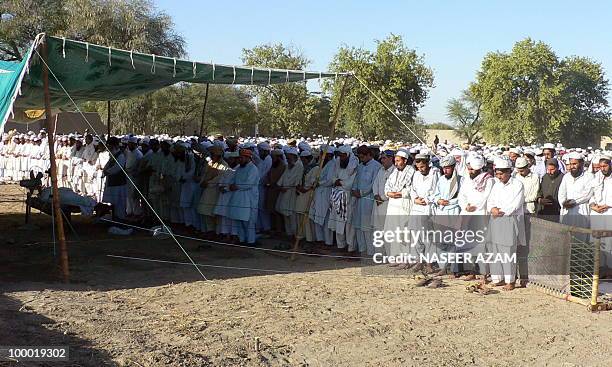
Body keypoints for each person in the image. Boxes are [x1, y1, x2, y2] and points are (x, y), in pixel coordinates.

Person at [486, 157, 526, 291]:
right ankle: (498, 278)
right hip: (495, 219)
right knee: (494, 249)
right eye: (497, 173)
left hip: (509, 220)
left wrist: (500, 211)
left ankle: (510, 280)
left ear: (509, 172)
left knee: (507, 251)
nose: (499, 176)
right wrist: (492, 209)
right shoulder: (496, 185)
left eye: (501, 173)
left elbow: (515, 204)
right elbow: (490, 201)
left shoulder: (517, 184)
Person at [457, 155, 493, 280]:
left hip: (480, 215)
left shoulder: (488, 180)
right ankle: (471, 271)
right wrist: (465, 206)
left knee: (481, 246)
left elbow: (486, 197)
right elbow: (461, 195)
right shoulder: (466, 179)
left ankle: (484, 273)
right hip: (466, 213)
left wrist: (475, 207)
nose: (470, 171)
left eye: (473, 170)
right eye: (469, 169)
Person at [432, 155, 461, 275]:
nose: (445, 170)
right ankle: (442, 266)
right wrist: (439, 201)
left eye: (448, 168)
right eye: (444, 168)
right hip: (441, 211)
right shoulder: (441, 179)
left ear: (453, 167)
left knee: (453, 242)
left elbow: (462, 197)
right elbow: (435, 194)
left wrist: (449, 202)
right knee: (440, 241)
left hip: (453, 211)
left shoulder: (460, 180)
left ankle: (453, 268)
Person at [383, 149, 414, 261]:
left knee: (403, 233)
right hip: (393, 205)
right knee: (393, 232)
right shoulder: (394, 172)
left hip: (404, 204)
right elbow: (387, 185)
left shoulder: (411, 171)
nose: (396, 163)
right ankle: (394, 257)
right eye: (395, 161)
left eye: (398, 161)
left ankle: (404, 259)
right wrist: (389, 193)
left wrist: (401, 193)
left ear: (405, 161)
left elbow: (412, 189)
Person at [351, 145, 382, 255]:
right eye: (360, 157)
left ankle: (370, 251)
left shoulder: (376, 166)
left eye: (363, 157)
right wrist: (354, 190)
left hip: (368, 199)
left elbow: (374, 183)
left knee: (367, 227)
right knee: (358, 226)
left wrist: (362, 192)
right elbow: (355, 179)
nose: (361, 159)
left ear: (369, 155)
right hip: (358, 199)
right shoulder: (360, 166)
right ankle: (361, 249)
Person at [227, 149, 259, 245]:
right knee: (239, 219)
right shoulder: (238, 168)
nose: (239, 160)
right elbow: (232, 179)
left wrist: (236, 186)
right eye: (239, 158)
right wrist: (231, 185)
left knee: (248, 221)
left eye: (241, 158)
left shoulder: (253, 169)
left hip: (248, 198)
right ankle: (242, 239)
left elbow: (249, 184)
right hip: (238, 197)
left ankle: (250, 241)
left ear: (247, 158)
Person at [328, 145, 357, 252]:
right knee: (337, 221)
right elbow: (333, 178)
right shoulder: (338, 162)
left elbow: (350, 183)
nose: (342, 158)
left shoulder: (354, 165)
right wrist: (337, 181)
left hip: (348, 198)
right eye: (340, 156)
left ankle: (351, 247)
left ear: (348, 155)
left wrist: (339, 182)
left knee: (348, 224)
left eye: (343, 156)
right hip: (336, 196)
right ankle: (340, 245)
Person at [197, 145, 228, 237]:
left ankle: (217, 232)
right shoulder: (211, 163)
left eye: (213, 154)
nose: (211, 156)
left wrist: (208, 183)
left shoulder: (224, 165)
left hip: (216, 191)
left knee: (215, 213)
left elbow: (220, 178)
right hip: (207, 191)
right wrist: (203, 182)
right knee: (205, 211)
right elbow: (205, 174)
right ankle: (209, 230)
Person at [558, 152, 593, 234]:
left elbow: (587, 194)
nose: (572, 166)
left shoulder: (589, 176)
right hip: (566, 211)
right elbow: (561, 193)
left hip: (582, 210)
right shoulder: (566, 177)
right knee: (566, 237)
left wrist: (573, 202)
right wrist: (563, 203)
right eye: (570, 164)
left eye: (574, 164)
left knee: (581, 237)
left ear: (581, 164)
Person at [589, 154, 612, 272]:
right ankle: (599, 270)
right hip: (597, 213)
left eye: (605, 166)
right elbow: (591, 195)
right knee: (597, 242)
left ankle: (609, 270)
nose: (602, 169)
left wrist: (608, 204)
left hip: (609, 213)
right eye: (600, 166)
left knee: (609, 242)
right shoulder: (596, 178)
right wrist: (593, 205)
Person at [309, 146, 335, 247]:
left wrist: (319, 183)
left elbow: (329, 180)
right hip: (318, 193)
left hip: (326, 193)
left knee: (326, 218)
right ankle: (319, 239)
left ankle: (327, 242)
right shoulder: (321, 164)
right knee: (317, 216)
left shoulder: (332, 164)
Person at [275, 147, 304, 237]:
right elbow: (283, 177)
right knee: (285, 214)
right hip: (284, 192)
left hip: (292, 192)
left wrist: (287, 187)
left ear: (293, 156)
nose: (287, 160)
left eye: (288, 158)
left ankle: (295, 235)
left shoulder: (299, 165)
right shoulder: (289, 165)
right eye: (286, 158)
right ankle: (289, 234)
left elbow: (297, 180)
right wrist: (279, 185)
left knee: (292, 216)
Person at [101, 137, 127, 220]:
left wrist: (107, 172)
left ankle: (120, 218)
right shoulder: (113, 155)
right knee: (114, 201)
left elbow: (117, 168)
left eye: (110, 146)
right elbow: (108, 165)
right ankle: (115, 217)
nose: (108, 148)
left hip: (119, 183)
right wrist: (105, 170)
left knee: (120, 202)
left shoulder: (121, 156)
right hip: (112, 182)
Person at [371, 149, 395, 235]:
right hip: (377, 203)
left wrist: (382, 197)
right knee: (377, 230)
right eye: (381, 158)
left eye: (384, 158)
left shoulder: (395, 172)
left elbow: (393, 189)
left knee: (387, 230)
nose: (382, 160)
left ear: (391, 159)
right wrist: (376, 195)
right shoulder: (381, 170)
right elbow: (375, 184)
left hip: (387, 204)